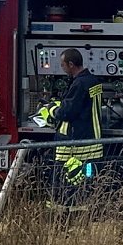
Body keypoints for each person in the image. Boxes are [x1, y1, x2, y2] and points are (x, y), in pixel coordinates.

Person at [45, 48, 103, 202]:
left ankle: (62, 212)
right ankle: (83, 211)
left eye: (63, 65)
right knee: (87, 179)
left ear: (71, 64)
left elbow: (67, 113)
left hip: (74, 145)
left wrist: (51, 109)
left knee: (65, 181)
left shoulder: (79, 84)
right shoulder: (93, 80)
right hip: (92, 142)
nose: (62, 68)